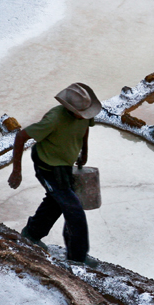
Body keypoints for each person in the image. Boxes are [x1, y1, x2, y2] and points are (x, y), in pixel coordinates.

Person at [8, 82, 101, 263]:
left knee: (56, 202)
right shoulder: (54, 119)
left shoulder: (83, 115)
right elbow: (21, 137)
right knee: (74, 210)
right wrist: (16, 171)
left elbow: (85, 130)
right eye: (81, 114)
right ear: (70, 108)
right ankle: (77, 257)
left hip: (64, 165)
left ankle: (32, 233)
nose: (84, 117)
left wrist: (84, 152)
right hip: (47, 166)